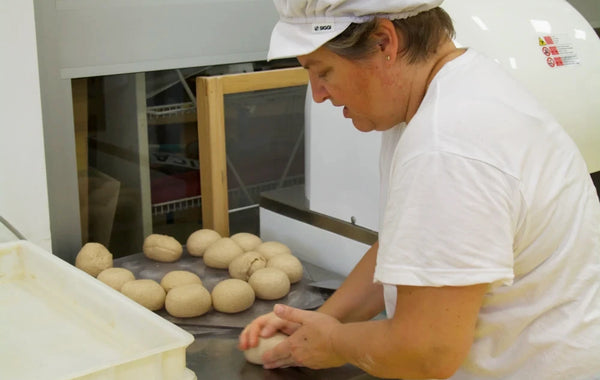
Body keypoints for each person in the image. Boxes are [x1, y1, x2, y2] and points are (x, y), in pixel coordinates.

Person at [238, 0, 600, 378]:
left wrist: (332, 343)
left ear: (383, 42)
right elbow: (411, 249)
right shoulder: (448, 90)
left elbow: (427, 352)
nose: (318, 94)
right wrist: (318, 323)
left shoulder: (449, 146)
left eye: (323, 71)